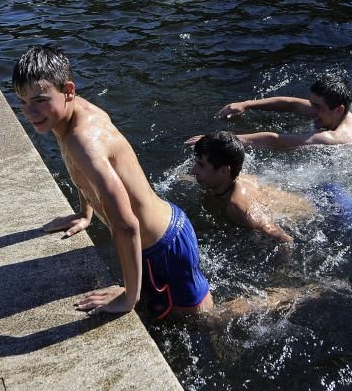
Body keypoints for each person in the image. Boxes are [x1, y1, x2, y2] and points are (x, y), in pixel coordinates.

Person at [13, 45, 213, 318]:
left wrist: (129, 297)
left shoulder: (84, 139)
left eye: (39, 100)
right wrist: (85, 214)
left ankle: (278, 301)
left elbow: (127, 224)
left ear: (68, 90)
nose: (29, 112)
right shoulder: (68, 115)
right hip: (157, 236)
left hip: (163, 247)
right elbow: (81, 171)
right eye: (22, 101)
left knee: (205, 319)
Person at [187, 73, 352, 150]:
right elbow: (290, 103)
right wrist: (246, 104)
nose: (311, 110)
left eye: (317, 107)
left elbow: (274, 140)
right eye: (312, 103)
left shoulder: (334, 138)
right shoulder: (334, 112)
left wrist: (218, 140)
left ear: (339, 110)